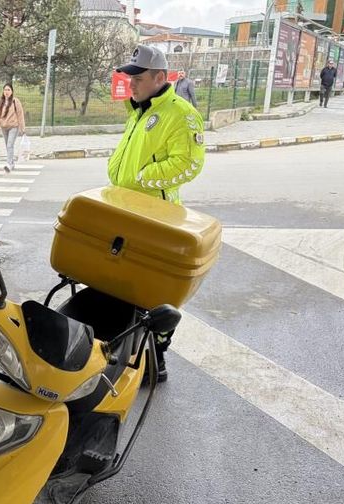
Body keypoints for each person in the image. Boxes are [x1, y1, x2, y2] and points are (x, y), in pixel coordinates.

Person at [108, 44, 206, 383]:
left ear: (160, 77)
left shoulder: (181, 113)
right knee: (124, 286)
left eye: (137, 77)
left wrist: (141, 179)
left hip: (157, 217)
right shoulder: (141, 109)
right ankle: (125, 351)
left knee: (156, 294)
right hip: (128, 212)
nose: (130, 83)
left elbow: (189, 164)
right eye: (129, 77)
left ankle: (157, 358)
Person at [0, 83, 26, 173]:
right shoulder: (1, 101)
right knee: (8, 146)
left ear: (12, 91)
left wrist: (22, 128)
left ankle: (9, 164)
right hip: (4, 127)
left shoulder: (15, 101)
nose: (6, 92)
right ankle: (12, 162)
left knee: (10, 145)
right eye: (5, 90)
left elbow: (20, 115)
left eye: (8, 90)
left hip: (14, 127)